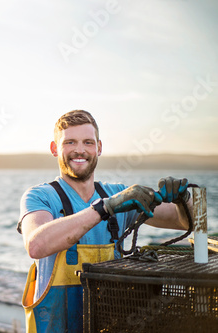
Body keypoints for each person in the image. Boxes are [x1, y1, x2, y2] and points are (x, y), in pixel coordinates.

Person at [17, 110, 191, 333]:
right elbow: (36, 245)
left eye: (88, 142)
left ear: (99, 147)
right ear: (54, 149)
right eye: (70, 142)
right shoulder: (40, 196)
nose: (80, 150)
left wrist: (182, 200)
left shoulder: (119, 193)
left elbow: (182, 222)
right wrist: (105, 207)